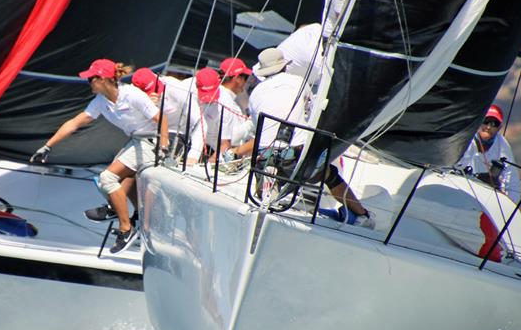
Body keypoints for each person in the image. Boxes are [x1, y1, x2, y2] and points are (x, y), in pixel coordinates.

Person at [29, 59, 169, 254]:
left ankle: (125, 229)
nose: (88, 83)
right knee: (112, 180)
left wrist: (163, 147)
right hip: (136, 141)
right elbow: (74, 123)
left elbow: (161, 119)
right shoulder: (101, 102)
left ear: (103, 79)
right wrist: (47, 146)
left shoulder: (132, 95)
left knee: (107, 178)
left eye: (90, 79)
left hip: (150, 143)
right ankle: (119, 210)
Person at [227, 48, 375, 228]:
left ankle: (267, 187)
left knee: (266, 160)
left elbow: (259, 130)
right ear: (284, 66)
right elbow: (313, 115)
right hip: (295, 155)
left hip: (263, 156)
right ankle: (363, 215)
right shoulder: (299, 82)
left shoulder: (257, 92)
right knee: (330, 175)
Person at [132, 67, 204, 164]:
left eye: (156, 88)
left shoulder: (175, 88)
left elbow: (200, 122)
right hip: (150, 133)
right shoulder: (133, 93)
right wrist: (147, 107)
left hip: (177, 133)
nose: (156, 92)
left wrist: (193, 155)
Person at [457, 104, 521, 203]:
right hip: (461, 188)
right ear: (479, 121)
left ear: (499, 128)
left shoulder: (502, 145)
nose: (488, 127)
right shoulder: (467, 137)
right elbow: (456, 166)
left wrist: (512, 205)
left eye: (494, 123)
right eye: (486, 121)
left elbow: (512, 179)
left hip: (485, 195)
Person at [197, 61, 251, 161]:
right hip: (215, 157)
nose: (246, 82)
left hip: (203, 150)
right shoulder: (229, 103)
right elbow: (229, 142)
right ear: (238, 78)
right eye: (246, 78)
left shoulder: (215, 93)